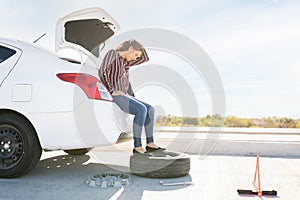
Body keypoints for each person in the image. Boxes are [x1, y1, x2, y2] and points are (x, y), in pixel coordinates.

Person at [99, 39, 165, 154]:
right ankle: (137, 146)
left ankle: (150, 143)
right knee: (141, 109)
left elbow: (145, 58)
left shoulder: (126, 62)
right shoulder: (112, 54)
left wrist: (139, 47)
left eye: (137, 55)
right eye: (135, 54)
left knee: (151, 109)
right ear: (130, 49)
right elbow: (103, 71)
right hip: (115, 95)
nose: (135, 58)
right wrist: (111, 90)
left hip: (125, 95)